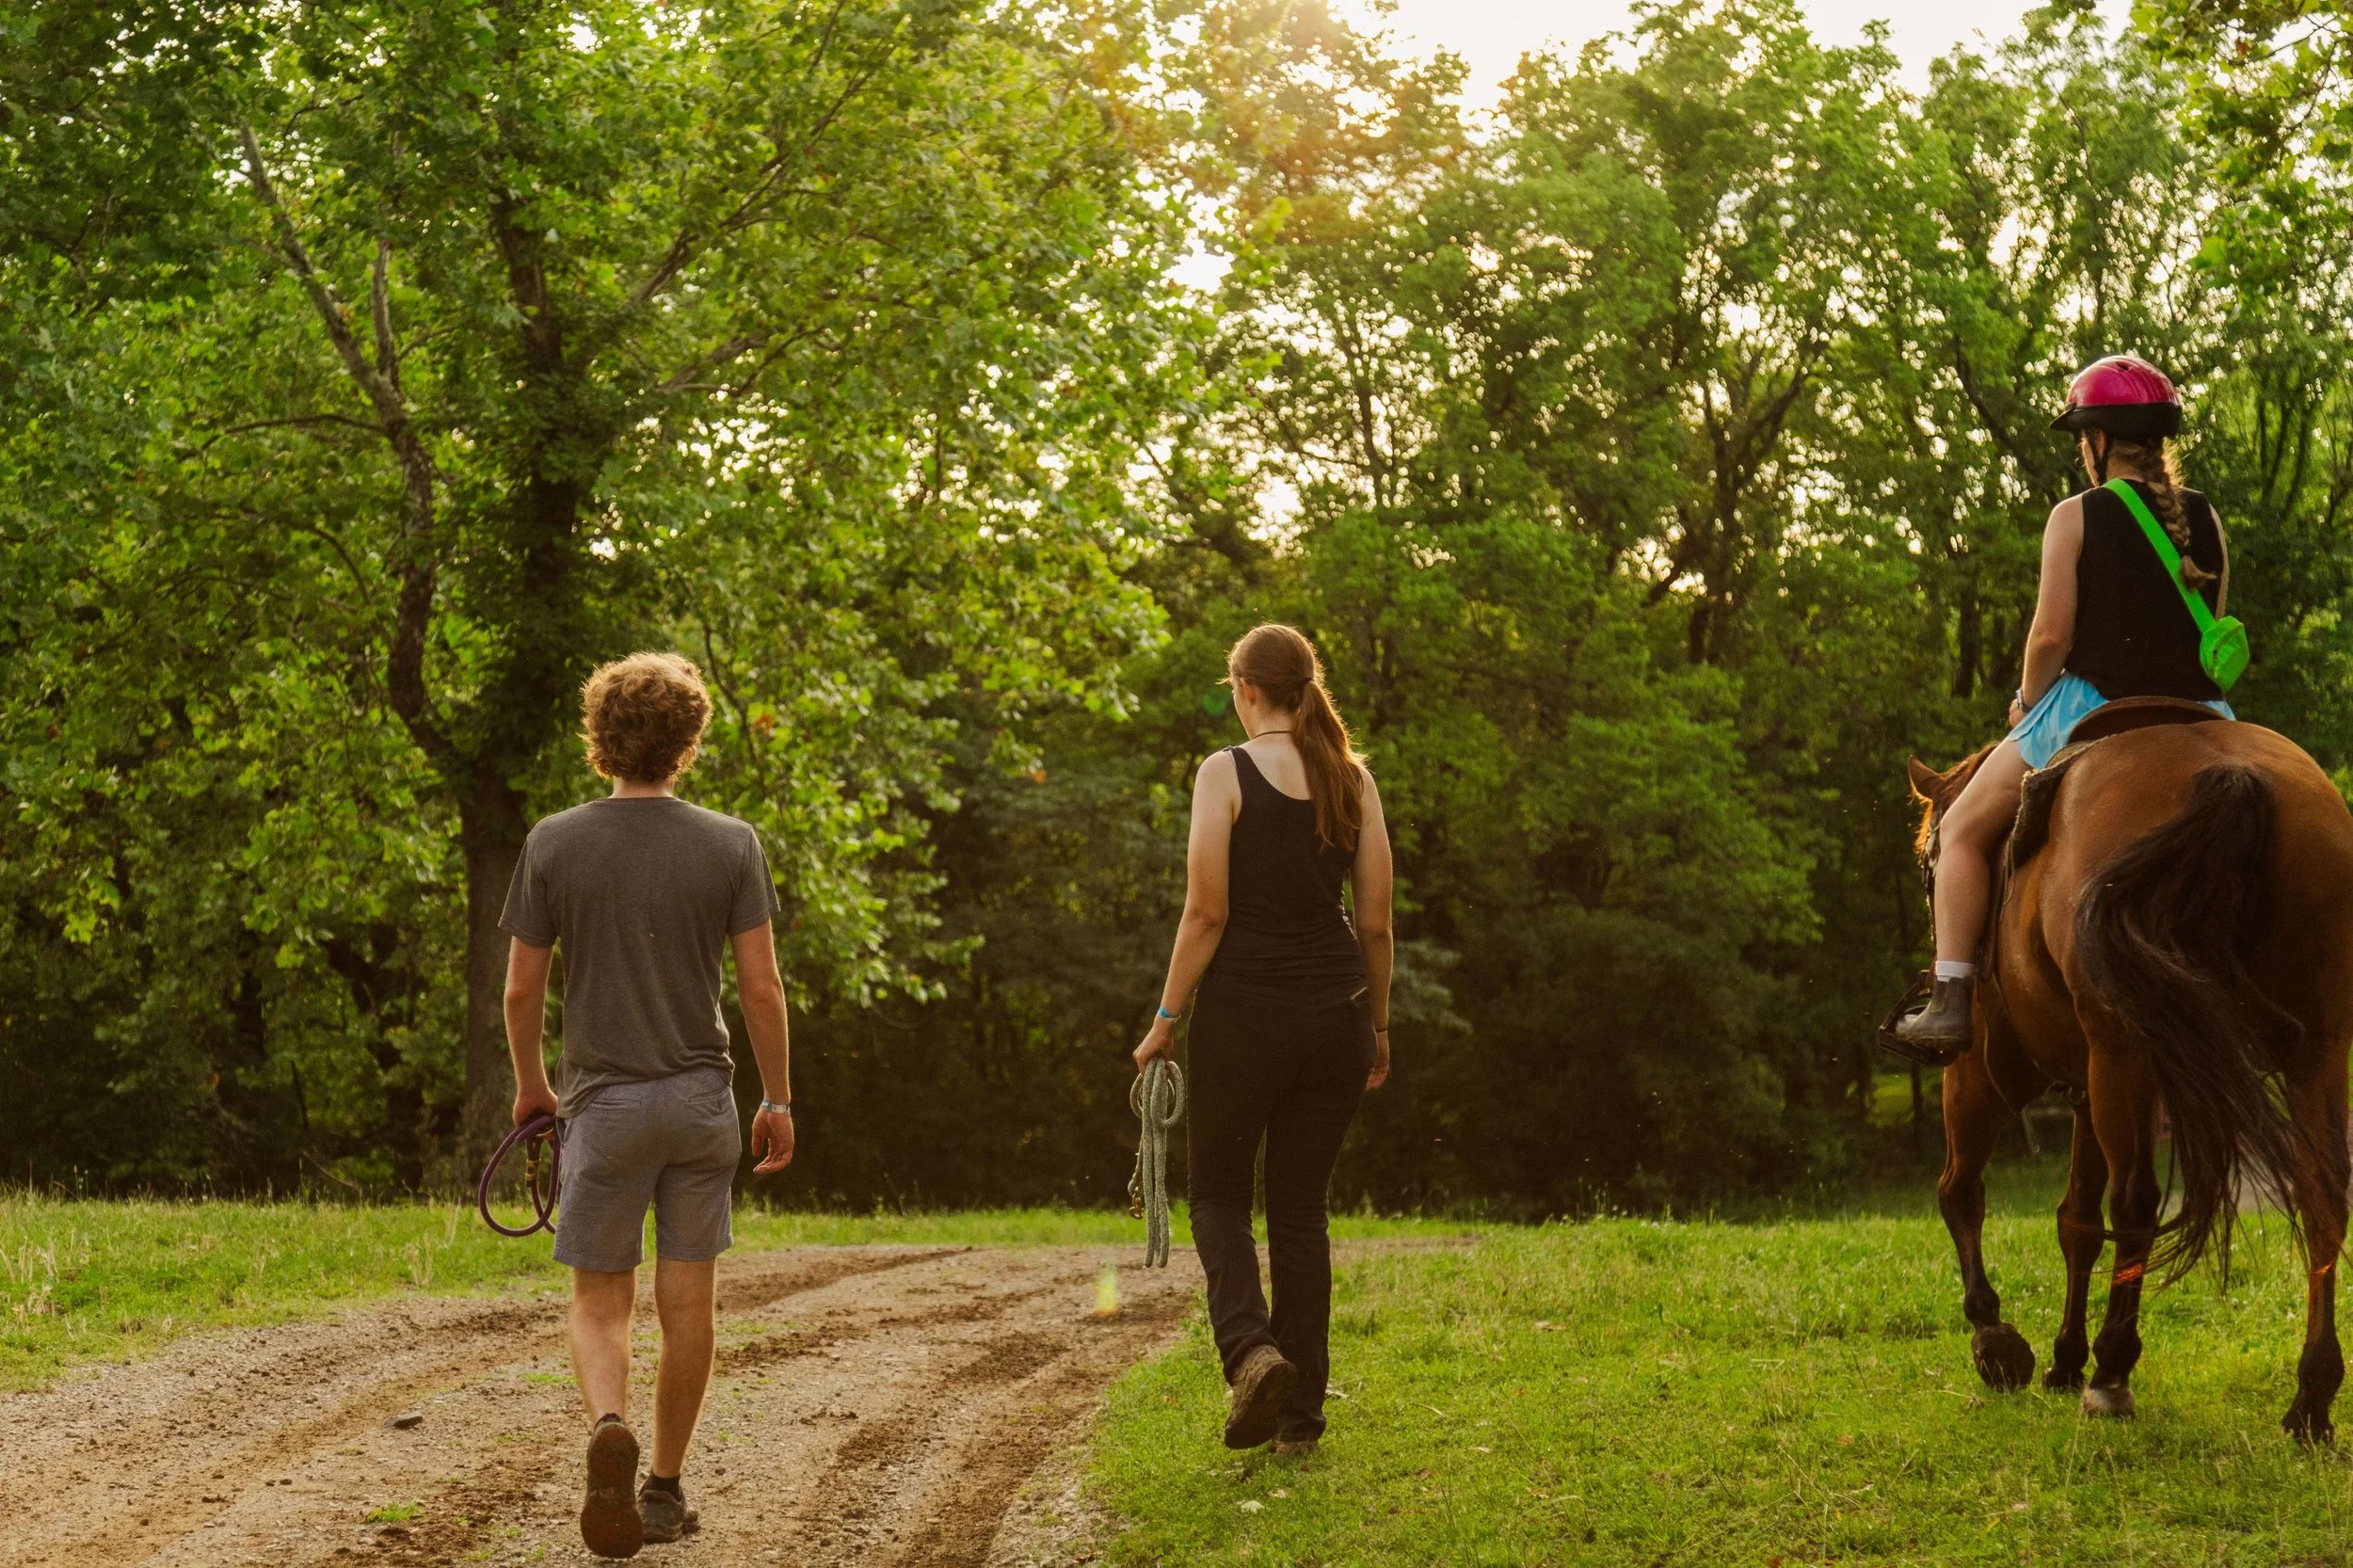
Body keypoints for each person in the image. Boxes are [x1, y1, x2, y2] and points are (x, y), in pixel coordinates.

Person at [501, 651, 796, 1560]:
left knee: (600, 1300)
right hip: (701, 1101)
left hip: (606, 1104)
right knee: (688, 1300)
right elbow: (760, 988)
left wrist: (532, 1089)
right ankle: (663, 1490)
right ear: (689, 740)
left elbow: (519, 993)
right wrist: (778, 1097)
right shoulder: (730, 842)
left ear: (601, 738)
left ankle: (607, 1427)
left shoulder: (554, 841)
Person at [1896, 355, 2235, 1058]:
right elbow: (2212, 633)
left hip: (2089, 707)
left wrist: (2026, 700)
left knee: (1958, 830)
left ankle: (1952, 998)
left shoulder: (2075, 515)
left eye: (2082, 438)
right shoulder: (2205, 517)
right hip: (2204, 714)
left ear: (2098, 441)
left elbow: (2051, 633)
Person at [1133, 623, 1393, 1457]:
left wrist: (1165, 1022)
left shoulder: (1226, 771)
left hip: (1244, 1017)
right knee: (1300, 1214)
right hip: (1334, 1020)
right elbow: (1378, 924)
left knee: (1215, 1195)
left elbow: (1207, 912)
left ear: (1246, 689)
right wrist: (1377, 1025)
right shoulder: (1353, 780)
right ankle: (1300, 1423)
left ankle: (1250, 1353)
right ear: (1303, 688)